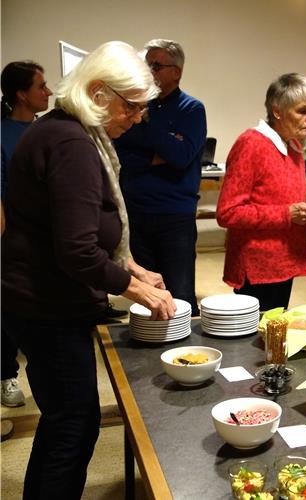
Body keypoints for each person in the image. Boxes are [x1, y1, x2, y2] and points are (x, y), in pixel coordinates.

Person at [1, 41, 176, 499]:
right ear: (99, 93)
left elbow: (79, 227)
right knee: (73, 423)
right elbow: (77, 250)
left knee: (65, 418)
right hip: (47, 305)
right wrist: (139, 291)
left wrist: (130, 267)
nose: (137, 118)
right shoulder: (71, 143)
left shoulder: (61, 130)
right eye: (132, 107)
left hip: (39, 298)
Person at [115, 38, 207, 315]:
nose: (148, 70)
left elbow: (180, 157)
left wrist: (148, 125)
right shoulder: (135, 108)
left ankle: (186, 355)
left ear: (176, 72)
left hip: (174, 216)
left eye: (156, 65)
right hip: (136, 211)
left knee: (179, 294)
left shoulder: (191, 109)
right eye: (146, 64)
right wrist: (155, 155)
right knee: (146, 293)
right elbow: (120, 156)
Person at [216, 73, 306, 310]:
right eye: (303, 111)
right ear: (277, 111)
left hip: (285, 262)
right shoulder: (252, 143)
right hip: (258, 267)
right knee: (256, 341)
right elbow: (228, 212)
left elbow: (286, 202)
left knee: (275, 335)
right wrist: (287, 214)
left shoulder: (293, 147)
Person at [1, 60, 51, 409]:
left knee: (44, 314)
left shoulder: (48, 130)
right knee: (7, 311)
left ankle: (45, 374)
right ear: (21, 94)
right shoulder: (2, 134)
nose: (48, 92)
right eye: (41, 86)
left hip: (47, 237)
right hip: (11, 237)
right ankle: (6, 375)